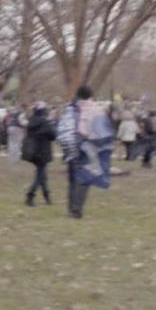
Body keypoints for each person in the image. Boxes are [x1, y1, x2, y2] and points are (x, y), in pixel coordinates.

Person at [57, 85, 113, 219]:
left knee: (72, 178)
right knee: (84, 179)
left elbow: (62, 127)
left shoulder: (70, 108)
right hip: (87, 146)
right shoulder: (95, 109)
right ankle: (76, 209)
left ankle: (71, 207)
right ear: (91, 95)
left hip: (71, 146)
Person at [22, 103, 55, 206]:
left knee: (42, 174)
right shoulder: (44, 122)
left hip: (32, 151)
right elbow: (53, 135)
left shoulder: (31, 121)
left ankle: (47, 197)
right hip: (42, 151)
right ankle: (30, 195)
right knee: (40, 176)